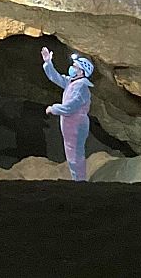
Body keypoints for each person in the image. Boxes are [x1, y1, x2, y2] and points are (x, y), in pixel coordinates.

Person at [40, 47, 95, 181]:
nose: (72, 68)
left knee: (75, 156)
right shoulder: (73, 82)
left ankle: (80, 183)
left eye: (75, 66)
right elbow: (56, 78)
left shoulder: (81, 87)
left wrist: (53, 108)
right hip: (71, 125)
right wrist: (48, 63)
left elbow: (70, 107)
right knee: (72, 154)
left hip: (76, 125)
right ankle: (77, 180)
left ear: (81, 71)